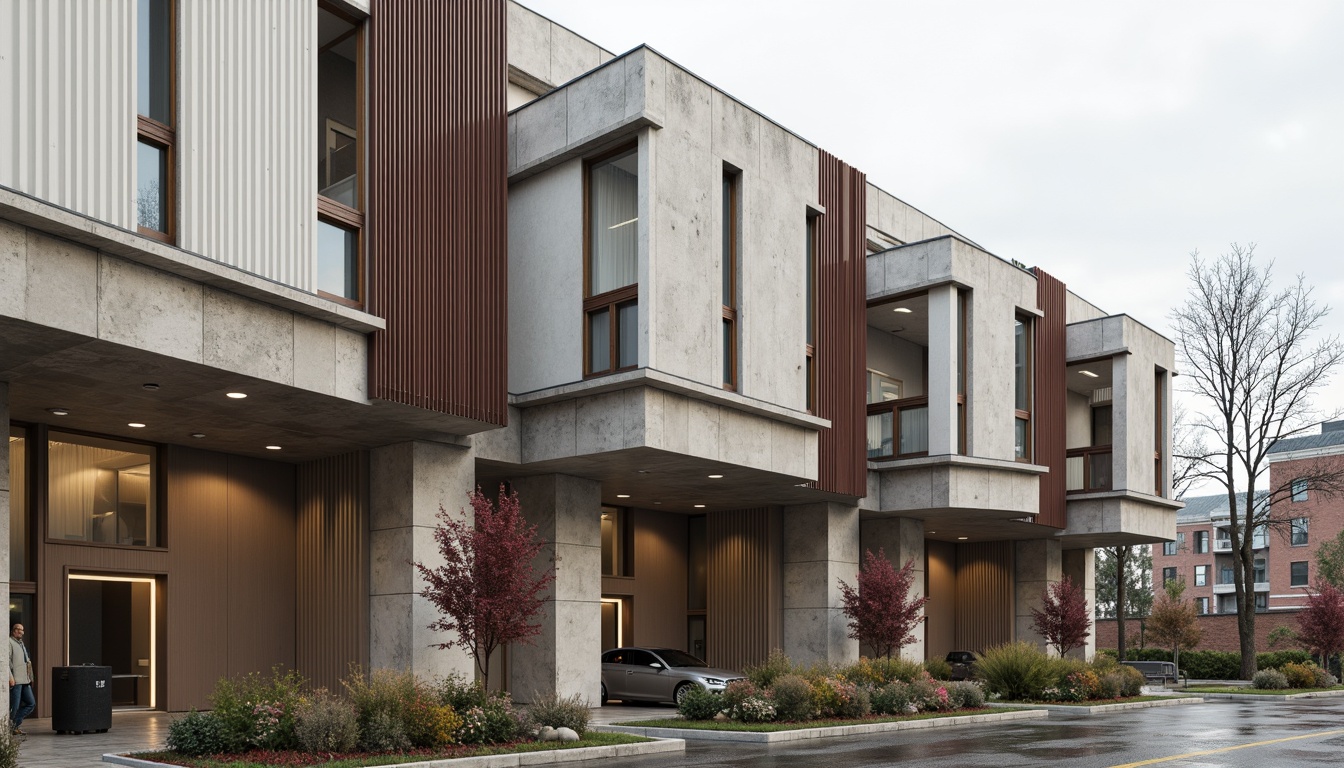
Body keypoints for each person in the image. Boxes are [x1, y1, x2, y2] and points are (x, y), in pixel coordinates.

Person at [8, 624, 34, 736]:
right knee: (14, 707)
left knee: (31, 703)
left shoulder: (21, 643)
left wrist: (30, 677)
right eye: (18, 629)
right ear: (13, 631)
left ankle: (14, 725)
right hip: (16, 681)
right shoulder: (9, 642)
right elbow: (7, 661)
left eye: (22, 630)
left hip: (25, 680)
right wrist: (10, 677)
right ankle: (11, 728)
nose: (20, 632)